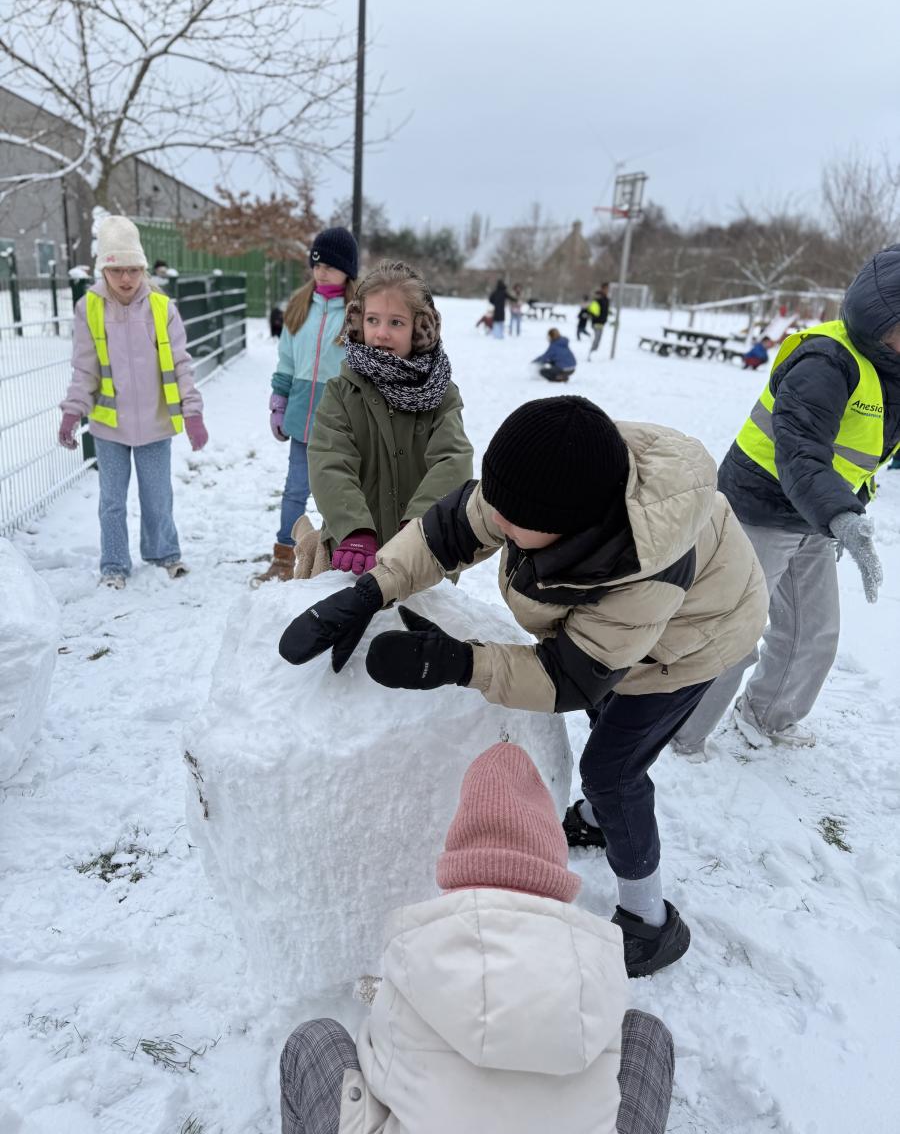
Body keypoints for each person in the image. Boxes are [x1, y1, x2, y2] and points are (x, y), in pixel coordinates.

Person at [279, 396, 768, 976]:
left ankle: (650, 921)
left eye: (512, 520)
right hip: (622, 638)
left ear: (570, 527)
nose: (497, 521)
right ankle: (599, 818)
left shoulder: (643, 572)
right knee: (605, 720)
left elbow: (569, 676)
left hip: (690, 644)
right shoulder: (549, 483)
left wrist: (458, 663)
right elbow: (453, 528)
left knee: (613, 769)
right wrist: (374, 589)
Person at [280, 741, 675, 1134]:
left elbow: (381, 1071)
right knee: (645, 1034)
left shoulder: (414, 952)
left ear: (459, 866)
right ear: (555, 871)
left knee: (313, 1040)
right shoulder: (599, 965)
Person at [672, 246, 900, 758]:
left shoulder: (893, 371)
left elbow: (861, 453)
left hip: (815, 516)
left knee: (814, 632)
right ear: (884, 317)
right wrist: (841, 514)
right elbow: (800, 450)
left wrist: (843, 508)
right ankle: (677, 732)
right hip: (759, 508)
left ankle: (765, 716)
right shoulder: (826, 361)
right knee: (733, 631)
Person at [57, 217, 207, 588]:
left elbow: (181, 364)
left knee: (158, 497)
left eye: (134, 270)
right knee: (111, 501)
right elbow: (84, 368)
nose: (126, 279)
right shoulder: (89, 308)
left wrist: (193, 412)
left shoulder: (161, 308)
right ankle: (114, 565)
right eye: (117, 270)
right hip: (109, 425)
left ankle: (164, 553)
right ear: (103, 270)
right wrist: (72, 411)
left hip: (155, 422)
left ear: (143, 268)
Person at [307, 261, 473, 576]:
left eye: (396, 322)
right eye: (373, 320)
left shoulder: (442, 395)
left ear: (420, 329)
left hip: (423, 558)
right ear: (358, 323)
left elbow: (453, 460)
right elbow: (329, 460)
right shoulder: (341, 392)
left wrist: (422, 528)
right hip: (352, 556)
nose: (381, 333)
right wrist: (354, 529)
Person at [253, 227, 359, 585]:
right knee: (295, 490)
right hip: (301, 417)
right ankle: (284, 556)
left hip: (340, 422)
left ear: (347, 270)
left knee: (338, 493)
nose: (322, 272)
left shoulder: (357, 314)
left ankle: (334, 555)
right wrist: (279, 402)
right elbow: (286, 361)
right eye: (317, 265)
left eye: (330, 266)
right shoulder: (299, 308)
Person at [587, 283, 610, 358]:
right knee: (597, 338)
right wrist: (596, 317)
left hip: (602, 322)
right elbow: (592, 309)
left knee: (598, 338)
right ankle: (591, 353)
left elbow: (605, 310)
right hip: (597, 322)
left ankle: (593, 353)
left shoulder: (606, 298)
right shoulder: (598, 298)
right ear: (602, 289)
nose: (607, 290)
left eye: (608, 289)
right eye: (606, 288)